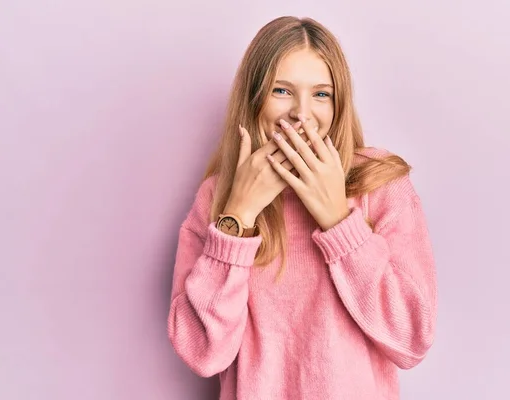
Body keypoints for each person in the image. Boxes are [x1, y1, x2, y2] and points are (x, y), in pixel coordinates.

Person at [167, 15, 437, 400]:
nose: (301, 112)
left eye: (321, 94)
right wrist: (238, 216)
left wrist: (338, 221)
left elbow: (411, 339)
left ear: (338, 103)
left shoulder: (380, 184)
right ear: (254, 98)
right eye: (282, 90)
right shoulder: (217, 197)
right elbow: (202, 353)